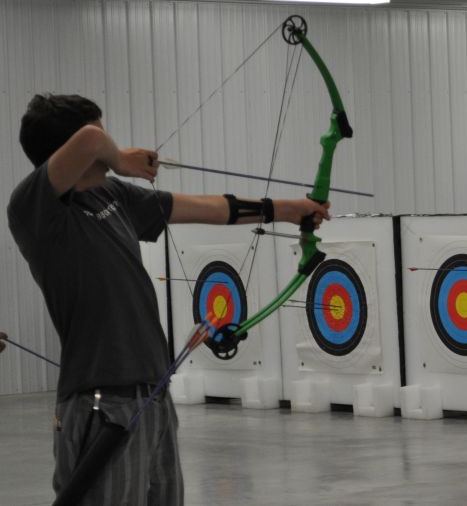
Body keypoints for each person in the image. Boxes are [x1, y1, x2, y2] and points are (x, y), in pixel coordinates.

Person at [6, 93, 330, 505]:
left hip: (152, 394)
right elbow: (90, 139)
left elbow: (205, 208)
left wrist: (287, 210)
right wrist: (121, 158)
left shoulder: (113, 197)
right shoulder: (36, 210)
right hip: (100, 405)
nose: (110, 143)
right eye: (105, 134)